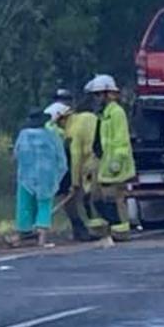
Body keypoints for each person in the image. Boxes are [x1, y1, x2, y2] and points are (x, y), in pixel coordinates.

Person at [85, 74, 136, 244]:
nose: (97, 98)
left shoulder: (116, 112)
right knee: (96, 197)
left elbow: (121, 141)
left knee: (114, 199)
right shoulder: (103, 114)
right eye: (95, 95)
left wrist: (116, 163)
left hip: (114, 165)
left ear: (109, 94)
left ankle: (121, 231)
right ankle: (100, 230)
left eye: (99, 94)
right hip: (102, 163)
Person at [7, 109, 67, 249]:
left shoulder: (23, 135)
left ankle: (24, 234)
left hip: (26, 175)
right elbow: (60, 158)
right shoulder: (52, 136)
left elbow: (16, 154)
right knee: (44, 204)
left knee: (24, 205)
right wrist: (58, 175)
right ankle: (42, 238)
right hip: (47, 176)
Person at [46, 101, 101, 241]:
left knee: (88, 200)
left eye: (59, 123)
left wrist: (75, 182)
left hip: (89, 165)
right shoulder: (88, 117)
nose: (60, 127)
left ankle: (92, 230)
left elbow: (76, 158)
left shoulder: (72, 130)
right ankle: (95, 229)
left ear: (63, 118)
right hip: (103, 161)